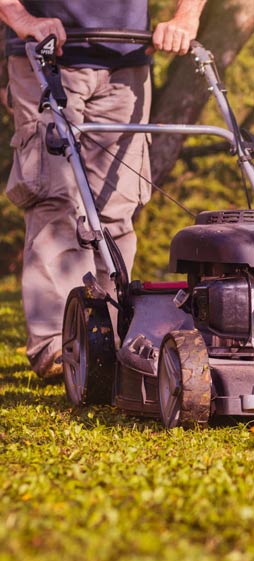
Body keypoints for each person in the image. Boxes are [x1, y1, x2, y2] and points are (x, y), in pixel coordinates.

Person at [0, 0, 206, 379]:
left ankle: (107, 340)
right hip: (49, 57)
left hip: (127, 62)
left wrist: (186, 16)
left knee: (116, 208)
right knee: (55, 199)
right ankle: (60, 345)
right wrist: (21, 18)